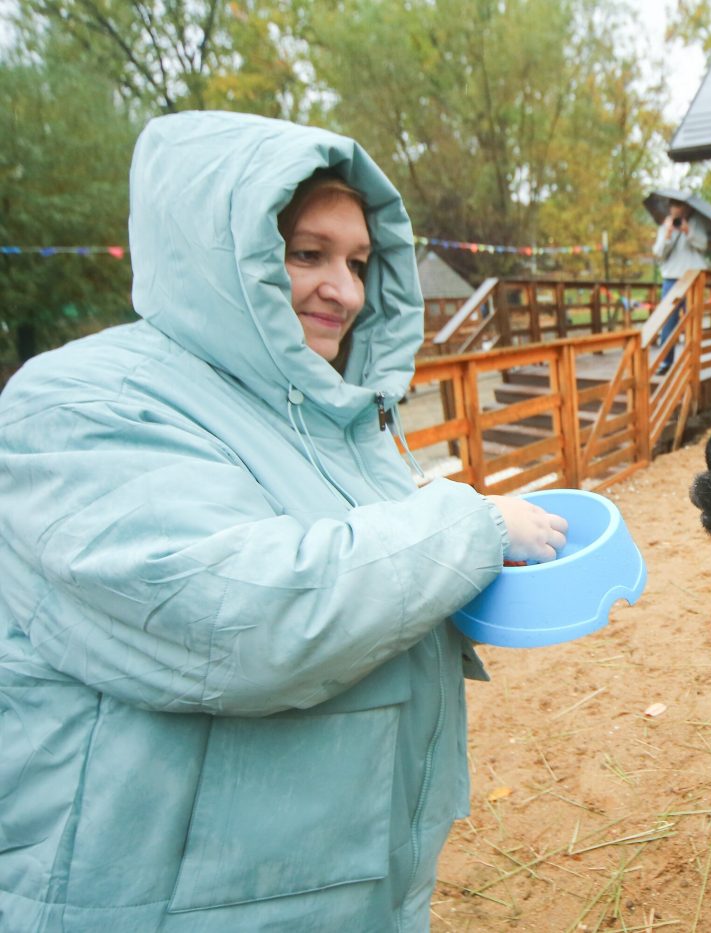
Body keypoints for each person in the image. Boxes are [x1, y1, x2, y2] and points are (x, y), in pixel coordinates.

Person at [0, 110, 567, 931]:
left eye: (360, 261)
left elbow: (368, 578)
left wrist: (474, 582)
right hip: (153, 901)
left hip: (326, 889)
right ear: (216, 254)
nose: (345, 288)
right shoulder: (82, 400)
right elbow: (236, 613)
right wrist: (469, 529)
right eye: (307, 253)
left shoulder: (331, 420)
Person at [651, 198, 709, 374]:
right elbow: (658, 254)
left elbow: (704, 245)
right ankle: (665, 361)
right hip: (671, 279)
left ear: (686, 207)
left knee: (693, 320)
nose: (677, 209)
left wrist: (688, 231)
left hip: (692, 278)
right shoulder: (665, 227)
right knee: (668, 320)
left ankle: (692, 361)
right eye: (674, 206)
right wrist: (668, 234)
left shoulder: (695, 224)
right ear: (670, 208)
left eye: (680, 205)